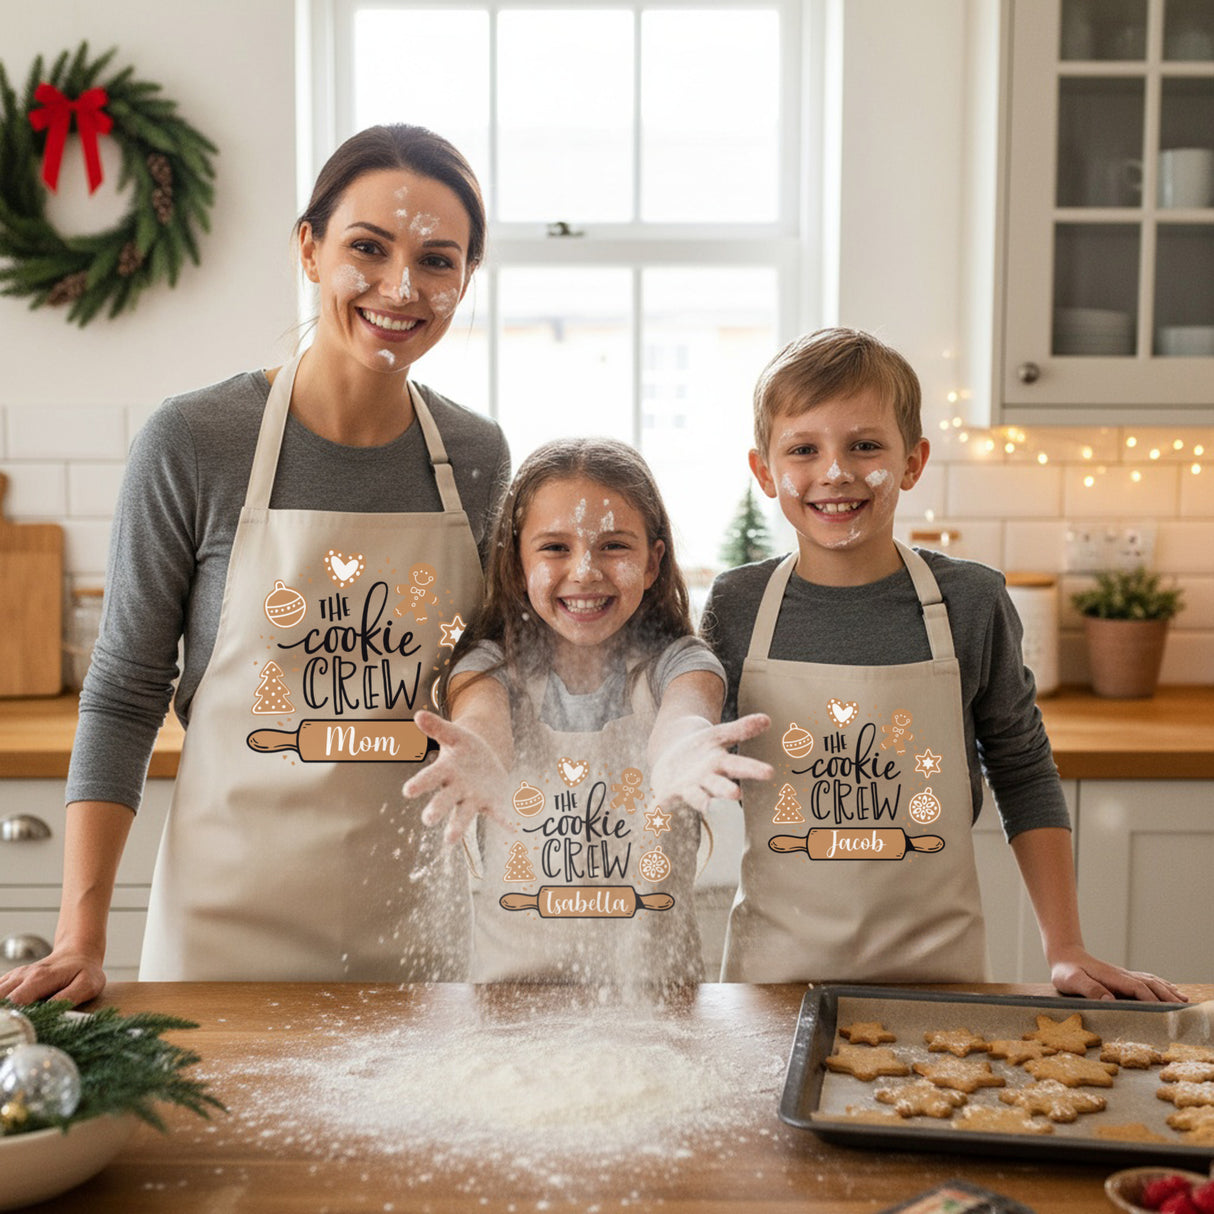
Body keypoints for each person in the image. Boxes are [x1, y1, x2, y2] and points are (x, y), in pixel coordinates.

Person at [0, 125, 511, 1005]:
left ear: (465, 280)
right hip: (226, 925)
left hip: (417, 926)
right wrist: (83, 937)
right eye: (368, 248)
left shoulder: (475, 453)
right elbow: (124, 691)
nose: (402, 287)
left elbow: (480, 655)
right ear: (309, 249)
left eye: (437, 260)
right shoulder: (196, 440)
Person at [702, 327, 1185, 1002]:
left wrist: (1066, 946)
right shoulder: (738, 603)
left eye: (864, 445)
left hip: (936, 979)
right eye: (804, 449)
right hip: (773, 980)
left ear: (912, 462)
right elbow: (682, 755)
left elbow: (1021, 766)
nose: (836, 471)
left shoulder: (969, 600)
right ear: (764, 471)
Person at [403, 438, 772, 984]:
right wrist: (477, 750)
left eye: (614, 546)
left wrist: (682, 749)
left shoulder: (680, 662)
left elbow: (685, 714)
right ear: (516, 562)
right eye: (554, 548)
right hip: (509, 1006)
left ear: (653, 563)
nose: (585, 571)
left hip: (659, 1008)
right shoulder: (488, 666)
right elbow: (484, 722)